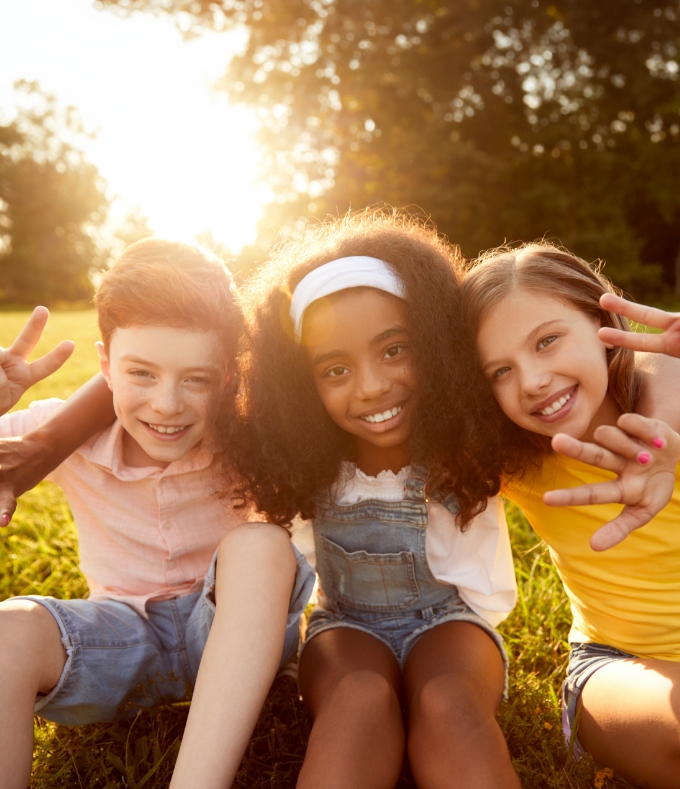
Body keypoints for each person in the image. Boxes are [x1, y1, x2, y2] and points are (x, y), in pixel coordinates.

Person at [0, 239, 315, 789]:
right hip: (121, 639)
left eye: (195, 378)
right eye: (141, 373)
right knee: (9, 630)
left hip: (232, 630)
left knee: (260, 545)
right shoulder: (56, 432)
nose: (167, 404)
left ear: (228, 378)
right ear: (105, 366)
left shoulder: (252, 434)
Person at [226, 211, 521, 789]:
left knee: (449, 700)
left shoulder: (468, 439)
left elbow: (615, 370)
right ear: (299, 386)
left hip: (450, 623)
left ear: (436, 346)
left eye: (394, 350)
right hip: (345, 628)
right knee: (358, 699)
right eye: (335, 369)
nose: (371, 386)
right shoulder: (304, 465)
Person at [462, 241, 680, 789]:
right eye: (499, 371)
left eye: (548, 340)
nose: (532, 380)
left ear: (604, 323)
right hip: (618, 675)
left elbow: (657, 362)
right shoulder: (517, 464)